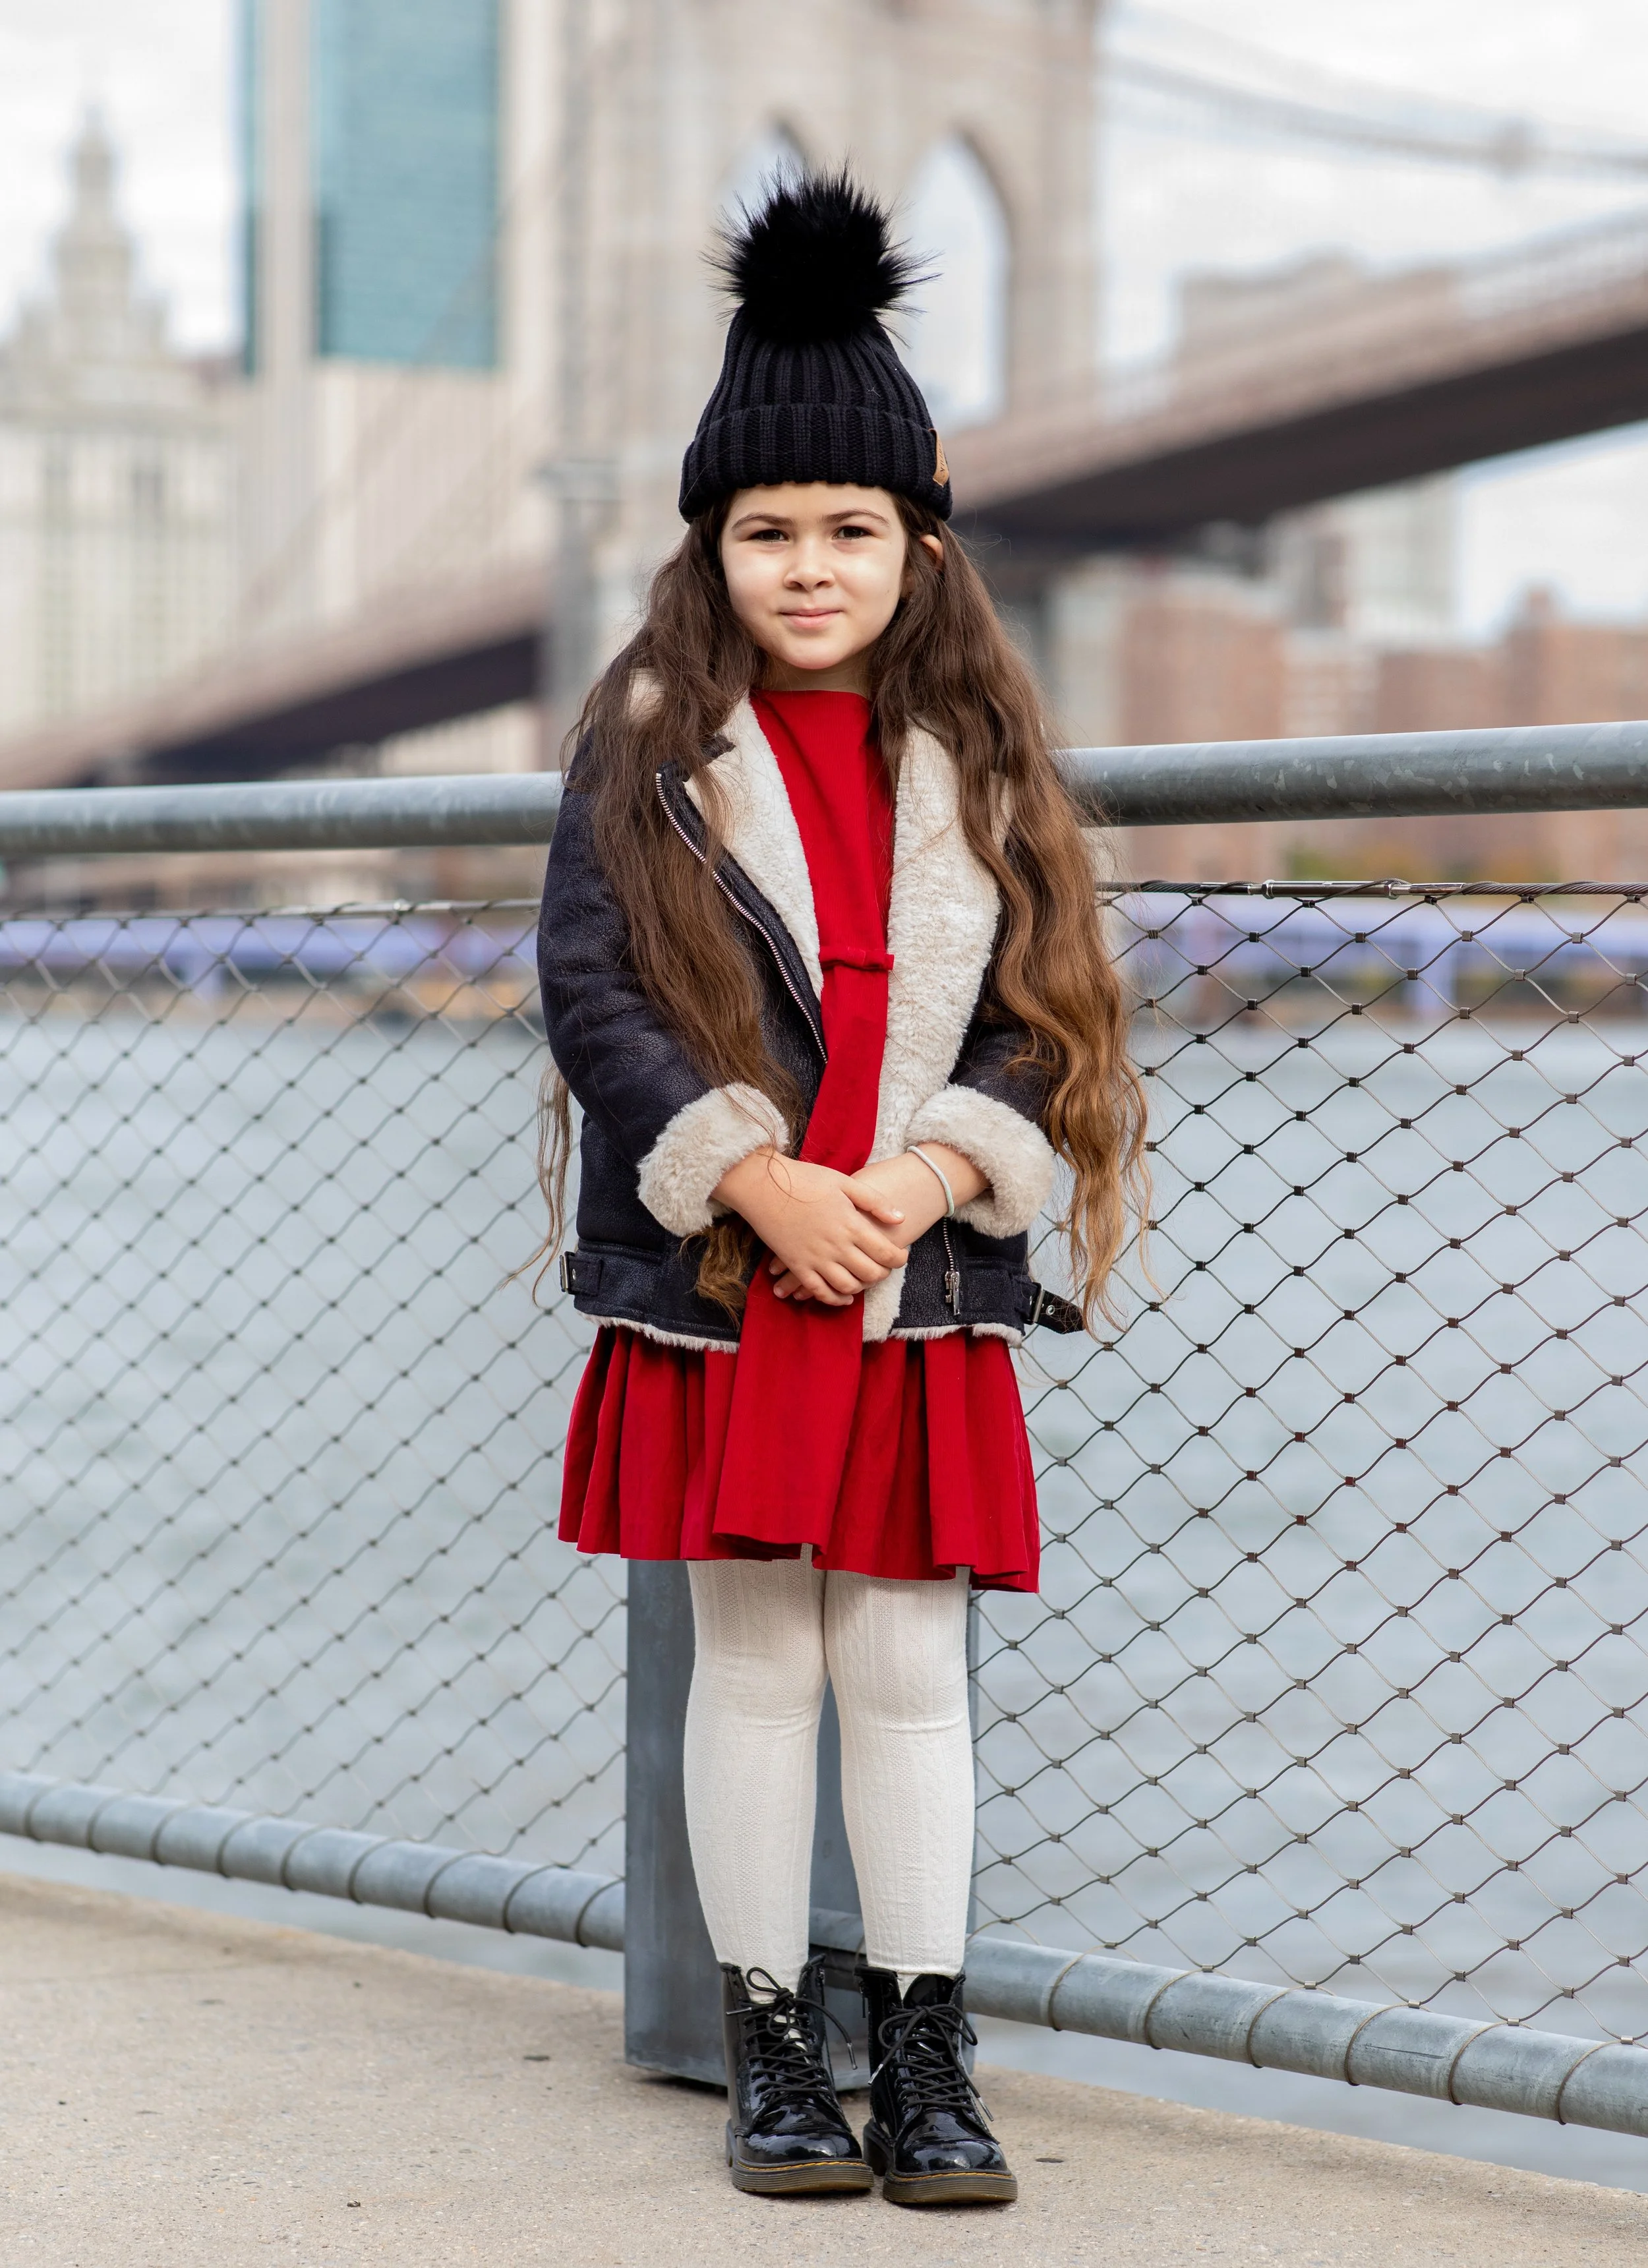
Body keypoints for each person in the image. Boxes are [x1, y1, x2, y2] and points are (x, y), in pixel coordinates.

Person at [536, 172, 1146, 2207]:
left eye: (850, 530)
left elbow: (1047, 1019)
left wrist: (915, 1176)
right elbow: (596, 994)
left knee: (901, 1661)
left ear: (919, 541)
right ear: (711, 545)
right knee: (754, 1651)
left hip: (912, 1259)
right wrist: (751, 1180)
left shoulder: (981, 748)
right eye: (767, 531)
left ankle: (930, 2047)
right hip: (731, 1266)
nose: (808, 567)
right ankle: (767, 2052)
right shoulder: (642, 740)